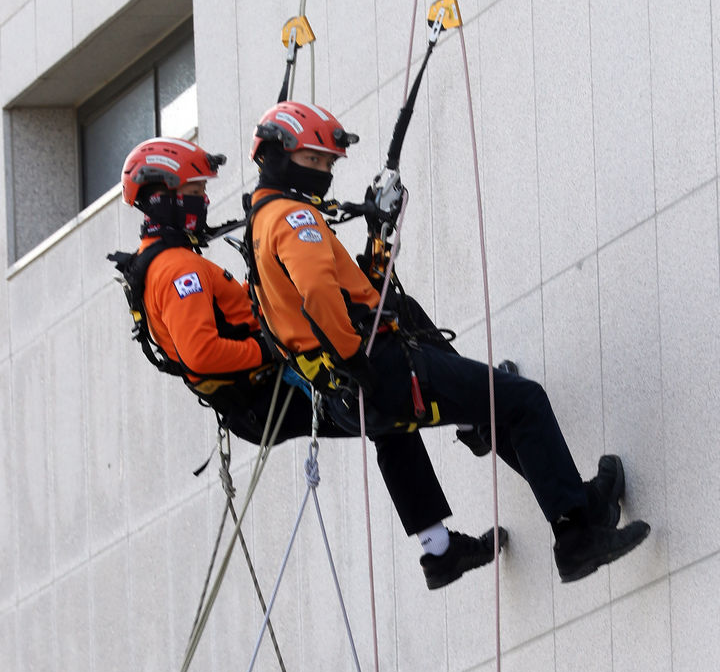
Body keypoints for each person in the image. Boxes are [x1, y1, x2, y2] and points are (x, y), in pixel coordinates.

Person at [245, 100, 651, 584]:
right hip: (379, 370)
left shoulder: (262, 222)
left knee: (497, 406)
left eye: (329, 163)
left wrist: (379, 232)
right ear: (276, 153)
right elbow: (316, 293)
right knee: (522, 402)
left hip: (342, 391)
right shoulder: (293, 218)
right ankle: (577, 535)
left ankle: (583, 507)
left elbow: (353, 294)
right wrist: (356, 358)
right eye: (315, 160)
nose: (325, 172)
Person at [111, 136, 504, 589]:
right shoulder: (178, 271)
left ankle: (440, 550)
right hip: (271, 392)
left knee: (384, 413)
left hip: (262, 395)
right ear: (164, 197)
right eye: (196, 193)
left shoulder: (160, 264)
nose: (203, 202)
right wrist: (276, 346)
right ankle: (476, 421)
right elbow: (202, 353)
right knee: (382, 401)